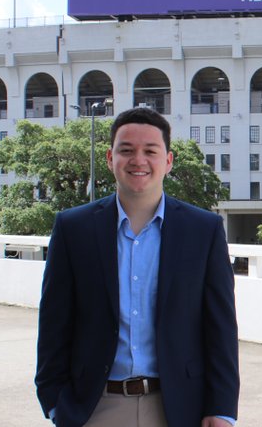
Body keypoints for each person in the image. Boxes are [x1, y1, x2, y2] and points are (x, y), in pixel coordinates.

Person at [35, 107, 239, 426]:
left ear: (168, 160)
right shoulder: (73, 228)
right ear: (109, 158)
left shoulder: (204, 230)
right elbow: (54, 323)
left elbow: (220, 329)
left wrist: (222, 407)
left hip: (179, 408)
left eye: (150, 151)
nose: (138, 160)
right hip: (94, 408)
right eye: (126, 150)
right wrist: (55, 403)